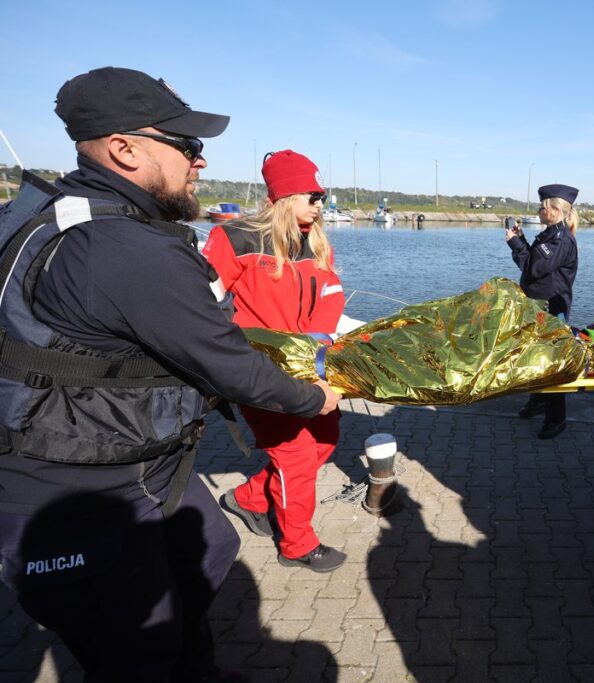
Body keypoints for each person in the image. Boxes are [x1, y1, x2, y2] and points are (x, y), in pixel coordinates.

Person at [0, 67, 339, 681]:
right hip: (74, 484)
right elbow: (225, 360)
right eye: (186, 146)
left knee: (210, 553)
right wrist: (309, 397)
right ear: (123, 149)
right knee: (136, 646)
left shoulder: (67, 212)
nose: (201, 162)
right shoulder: (124, 249)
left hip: (135, 462)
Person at [202, 149, 347, 573]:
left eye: (322, 196)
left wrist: (316, 341)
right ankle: (297, 544)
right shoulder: (237, 238)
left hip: (309, 365)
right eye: (312, 195)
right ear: (284, 195)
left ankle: (247, 498)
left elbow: (331, 294)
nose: (320, 204)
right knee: (295, 456)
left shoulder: (316, 243)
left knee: (327, 434)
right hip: (258, 369)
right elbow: (202, 302)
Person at [505, 184, 580, 439]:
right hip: (538, 308)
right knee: (535, 358)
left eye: (542, 207)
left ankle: (556, 418)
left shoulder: (561, 240)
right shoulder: (549, 235)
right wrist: (521, 241)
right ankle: (538, 401)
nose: (539, 210)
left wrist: (516, 243)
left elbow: (533, 269)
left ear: (556, 210)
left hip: (551, 310)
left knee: (552, 363)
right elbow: (531, 265)